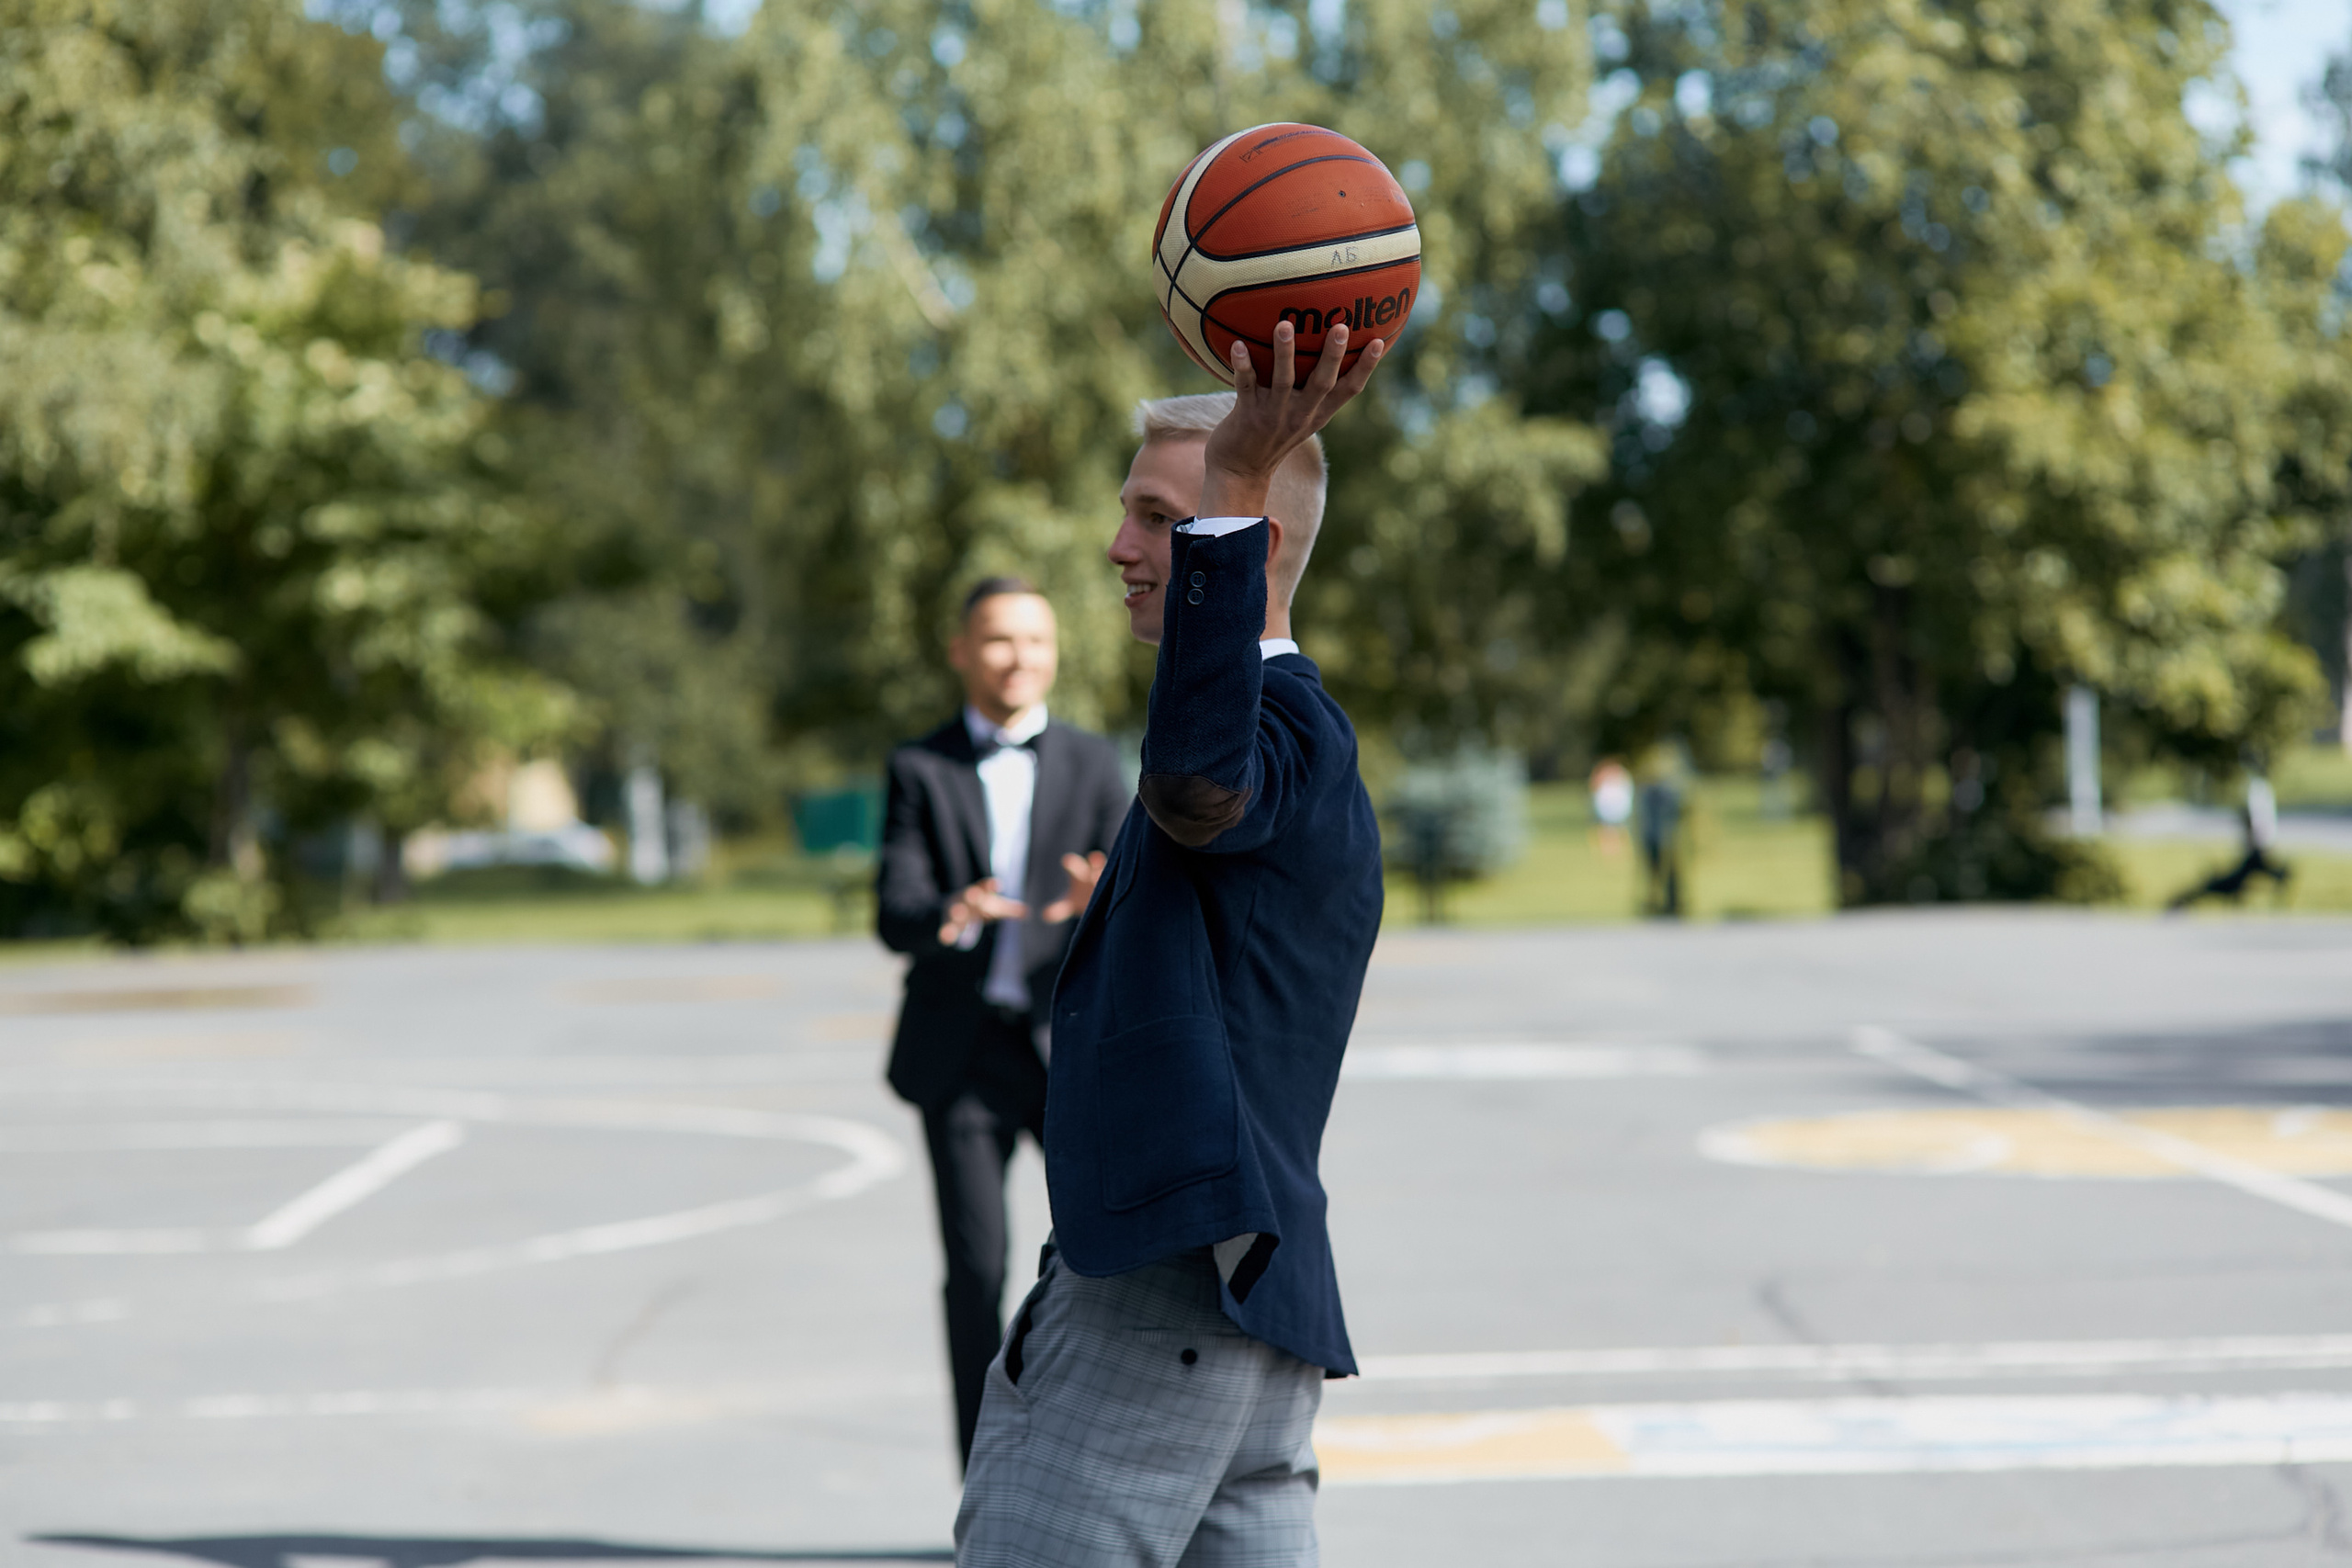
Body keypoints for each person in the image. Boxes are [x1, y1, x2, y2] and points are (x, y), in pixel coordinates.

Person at [956, 320, 1388, 1565]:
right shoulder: (1302, 740)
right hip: (1248, 1317)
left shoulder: (1283, 732)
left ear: (1248, 543)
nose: (1120, 546)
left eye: (1157, 518)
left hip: (1163, 1298)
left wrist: (1238, 473)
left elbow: (1198, 780)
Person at [875, 577, 1133, 1468]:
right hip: (963, 1056)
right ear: (960, 652)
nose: (1019, 658)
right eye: (998, 640)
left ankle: (1087, 1470)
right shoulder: (920, 766)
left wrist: (1104, 901)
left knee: (1106, 1265)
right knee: (978, 1270)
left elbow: (1140, 902)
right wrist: (953, 912)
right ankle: (984, 1480)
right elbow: (894, 911)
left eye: (1036, 641)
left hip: (1072, 1053)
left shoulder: (1095, 762)